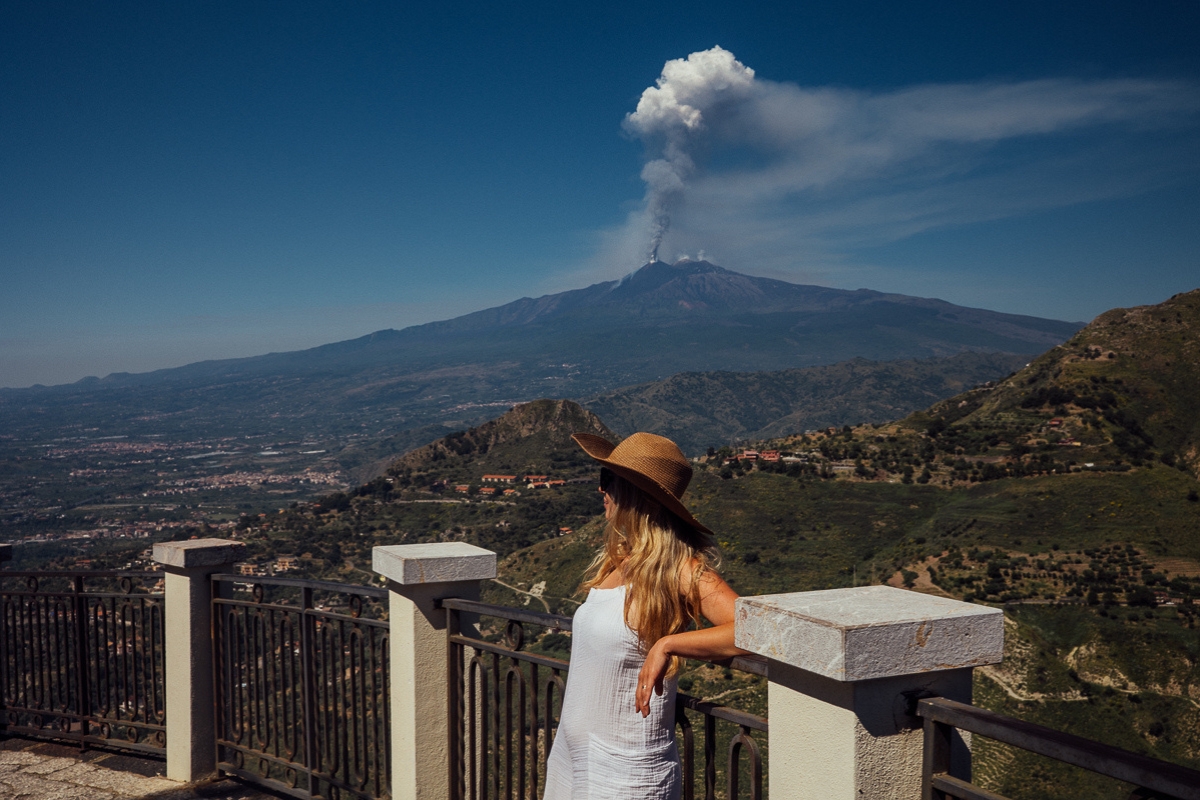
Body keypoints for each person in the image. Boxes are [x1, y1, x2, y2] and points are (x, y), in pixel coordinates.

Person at [542, 432, 745, 800]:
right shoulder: (618, 561)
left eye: (608, 481)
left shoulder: (682, 569)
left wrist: (669, 644)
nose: (600, 490)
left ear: (635, 494)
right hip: (574, 758)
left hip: (626, 772)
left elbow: (753, 629)